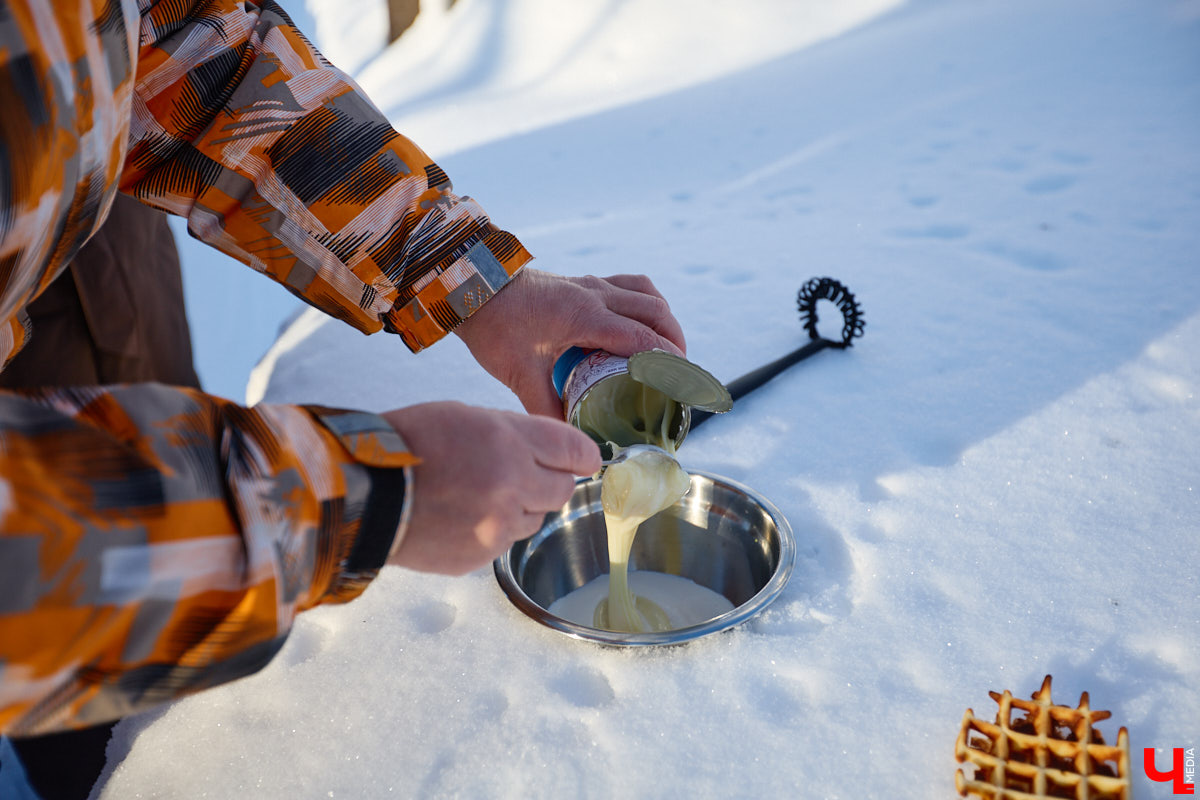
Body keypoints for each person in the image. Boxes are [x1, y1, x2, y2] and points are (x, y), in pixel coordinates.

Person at [0, 0, 685, 753]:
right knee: (114, 743)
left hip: (61, 229)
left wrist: (459, 272)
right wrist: (355, 496)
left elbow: (191, 50)